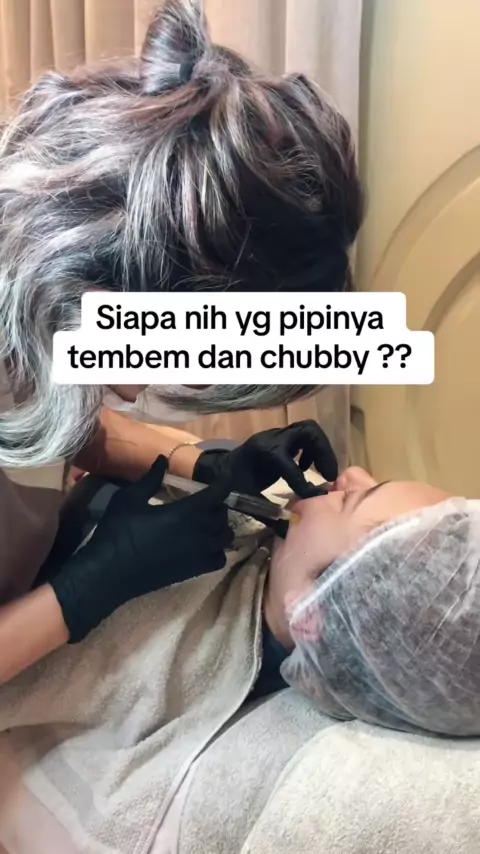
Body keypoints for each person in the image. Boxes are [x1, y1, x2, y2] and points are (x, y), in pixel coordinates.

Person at [0, 0, 364, 680]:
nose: (139, 388)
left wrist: (204, 463)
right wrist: (83, 592)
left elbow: (45, 428)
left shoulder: (37, 307)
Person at [1, 460, 478, 854]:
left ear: (310, 613)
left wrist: (80, 594)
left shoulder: (177, 662)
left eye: (350, 500)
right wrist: (194, 459)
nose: (351, 473)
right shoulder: (270, 528)